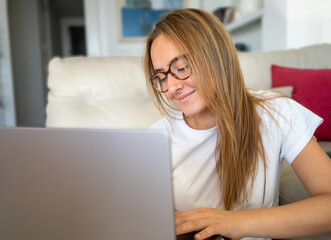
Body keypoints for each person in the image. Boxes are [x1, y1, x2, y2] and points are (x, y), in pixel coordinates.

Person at [143, 8, 331, 240]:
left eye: (180, 68)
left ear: (216, 56)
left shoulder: (278, 113)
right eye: (161, 77)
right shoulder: (157, 138)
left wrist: (235, 222)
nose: (170, 88)